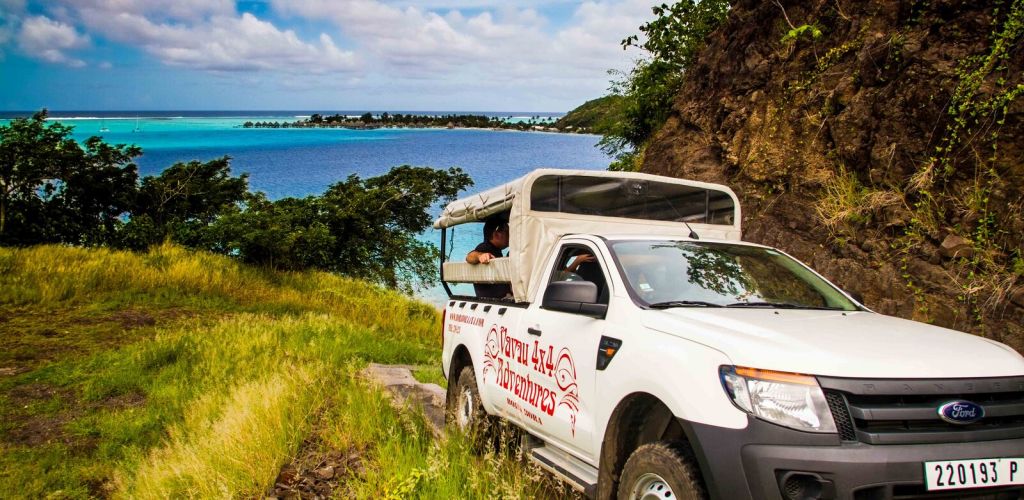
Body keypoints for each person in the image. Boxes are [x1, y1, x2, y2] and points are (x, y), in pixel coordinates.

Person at [466, 219, 512, 298]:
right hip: (497, 298)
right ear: (496, 235)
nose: (510, 235)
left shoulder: (495, 250)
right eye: (507, 232)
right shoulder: (485, 247)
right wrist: (480, 256)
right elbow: (469, 256)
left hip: (496, 298)